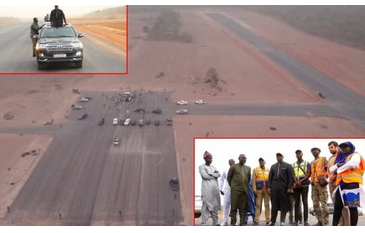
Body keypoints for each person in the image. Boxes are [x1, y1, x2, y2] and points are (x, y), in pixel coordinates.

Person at [330, 141, 365, 226]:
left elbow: (353, 163)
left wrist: (339, 168)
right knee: (337, 208)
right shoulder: (340, 158)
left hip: (352, 185)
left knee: (352, 208)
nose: (344, 149)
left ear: (350, 148)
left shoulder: (355, 155)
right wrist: (340, 165)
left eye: (346, 147)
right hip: (341, 185)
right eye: (342, 148)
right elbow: (331, 169)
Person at [302, 147, 329, 226]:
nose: (314, 152)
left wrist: (325, 177)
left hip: (321, 184)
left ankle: (325, 221)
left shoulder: (323, 159)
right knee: (315, 204)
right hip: (313, 185)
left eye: (315, 150)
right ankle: (320, 221)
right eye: (312, 151)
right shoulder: (311, 162)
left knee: (323, 203)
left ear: (319, 151)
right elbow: (309, 174)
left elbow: (328, 170)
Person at [327, 141, 350, 226]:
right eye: (329, 148)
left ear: (337, 147)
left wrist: (334, 175)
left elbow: (343, 166)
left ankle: (347, 224)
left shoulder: (342, 156)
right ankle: (340, 224)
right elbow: (328, 170)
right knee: (336, 205)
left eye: (331, 147)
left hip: (340, 182)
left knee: (344, 205)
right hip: (331, 182)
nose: (330, 149)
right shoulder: (329, 158)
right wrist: (329, 177)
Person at [267, 153, 293, 226]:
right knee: (274, 204)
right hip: (274, 188)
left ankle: (282, 221)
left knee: (283, 205)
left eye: (279, 156)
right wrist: (269, 187)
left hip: (283, 188)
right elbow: (269, 178)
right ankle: (272, 221)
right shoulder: (273, 166)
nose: (278, 157)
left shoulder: (288, 166)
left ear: (282, 157)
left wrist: (289, 187)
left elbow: (290, 178)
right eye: (277, 156)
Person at [227, 154, 251, 226]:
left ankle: (242, 222)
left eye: (245, 158)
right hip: (235, 189)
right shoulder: (233, 167)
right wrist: (233, 186)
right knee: (234, 206)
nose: (244, 159)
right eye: (242, 158)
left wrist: (244, 185)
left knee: (243, 207)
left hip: (244, 189)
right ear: (239, 158)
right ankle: (233, 222)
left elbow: (248, 179)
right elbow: (229, 177)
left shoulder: (247, 168)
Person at [199, 151, 221, 226]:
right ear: (205, 158)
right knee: (206, 206)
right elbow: (205, 176)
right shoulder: (202, 166)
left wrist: (211, 173)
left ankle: (215, 222)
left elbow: (219, 174)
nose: (210, 160)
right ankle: (204, 223)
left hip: (214, 191)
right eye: (209, 158)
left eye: (211, 158)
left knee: (215, 206)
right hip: (206, 190)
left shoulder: (213, 167)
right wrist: (214, 174)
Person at [292, 149, 310, 226]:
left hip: (304, 185)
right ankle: (296, 221)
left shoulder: (306, 163)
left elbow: (309, 174)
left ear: (302, 154)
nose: (298, 155)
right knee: (296, 203)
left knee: (305, 202)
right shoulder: (293, 164)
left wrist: (300, 181)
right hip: (296, 185)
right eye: (297, 154)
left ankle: (305, 221)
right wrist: (296, 182)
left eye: (299, 153)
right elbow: (292, 174)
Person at [252, 157, 270, 225]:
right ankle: (256, 220)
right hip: (258, 190)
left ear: (265, 162)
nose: (261, 162)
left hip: (266, 190)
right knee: (258, 205)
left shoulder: (268, 169)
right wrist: (254, 190)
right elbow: (253, 180)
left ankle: (268, 220)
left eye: (262, 161)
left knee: (267, 205)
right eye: (259, 161)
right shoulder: (255, 169)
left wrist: (269, 188)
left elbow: (270, 180)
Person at [219, 158, 235, 226]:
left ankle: (235, 221)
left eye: (233, 161)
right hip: (227, 190)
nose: (232, 162)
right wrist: (220, 188)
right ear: (229, 163)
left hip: (235, 190)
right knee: (226, 205)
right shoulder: (225, 170)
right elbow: (222, 180)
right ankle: (225, 221)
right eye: (230, 161)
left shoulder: (236, 170)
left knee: (235, 206)